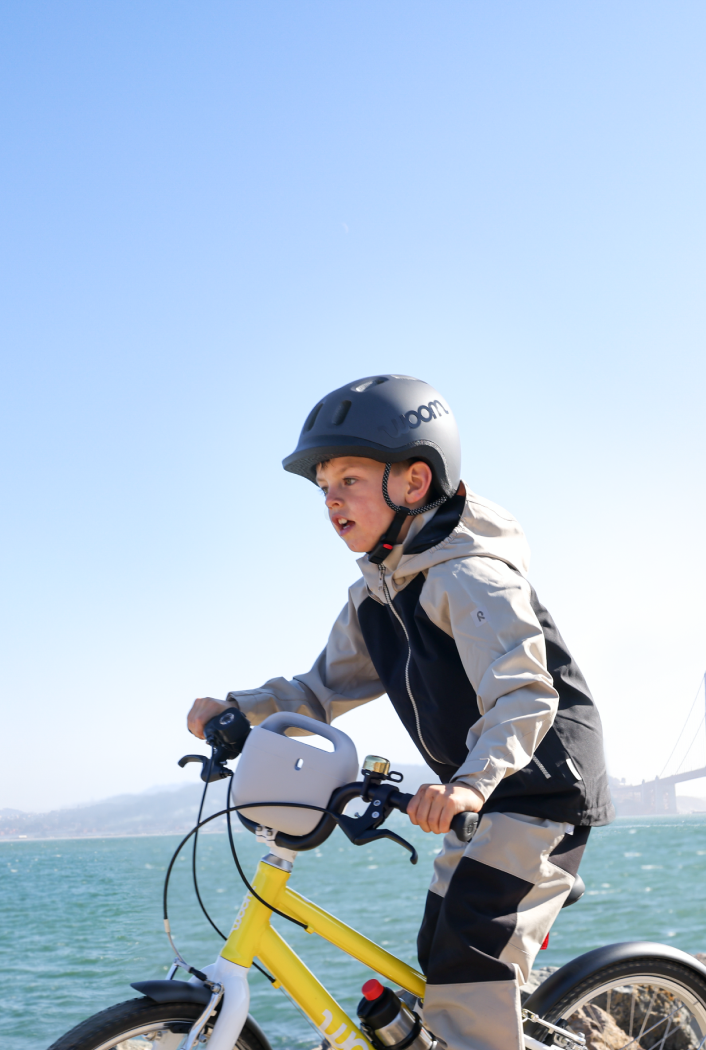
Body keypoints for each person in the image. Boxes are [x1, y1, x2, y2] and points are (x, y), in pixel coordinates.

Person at [187, 375, 614, 1050]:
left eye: (350, 480)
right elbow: (320, 689)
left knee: (469, 965)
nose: (331, 501)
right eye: (323, 487)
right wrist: (238, 712)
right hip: (478, 790)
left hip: (537, 786)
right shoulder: (378, 594)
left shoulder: (469, 575)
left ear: (414, 483)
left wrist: (469, 784)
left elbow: (525, 695)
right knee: (436, 953)